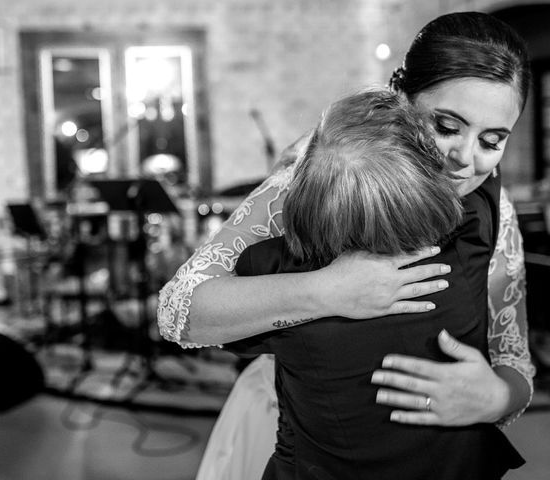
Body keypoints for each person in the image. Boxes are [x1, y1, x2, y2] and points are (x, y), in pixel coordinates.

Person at [157, 11, 535, 479]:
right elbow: (180, 311)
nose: (465, 159)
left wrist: (496, 396)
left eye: (491, 140)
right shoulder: (313, 185)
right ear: (401, 100)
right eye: (447, 126)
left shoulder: (491, 208)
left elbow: (512, 355)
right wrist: (326, 291)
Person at [226, 89, 523, 479]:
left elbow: (231, 336)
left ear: (302, 193)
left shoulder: (270, 265)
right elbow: (481, 183)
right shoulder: (467, 244)